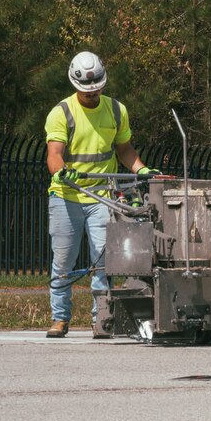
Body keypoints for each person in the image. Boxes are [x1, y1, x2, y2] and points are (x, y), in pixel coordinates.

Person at [44, 51, 156, 338]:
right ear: (75, 85)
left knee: (103, 261)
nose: (92, 96)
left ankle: (101, 320)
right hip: (67, 195)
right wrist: (62, 171)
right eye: (86, 91)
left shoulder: (117, 110)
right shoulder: (62, 112)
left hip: (102, 196)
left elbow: (125, 150)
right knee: (64, 260)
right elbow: (54, 155)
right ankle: (60, 318)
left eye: (96, 90)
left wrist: (141, 169)